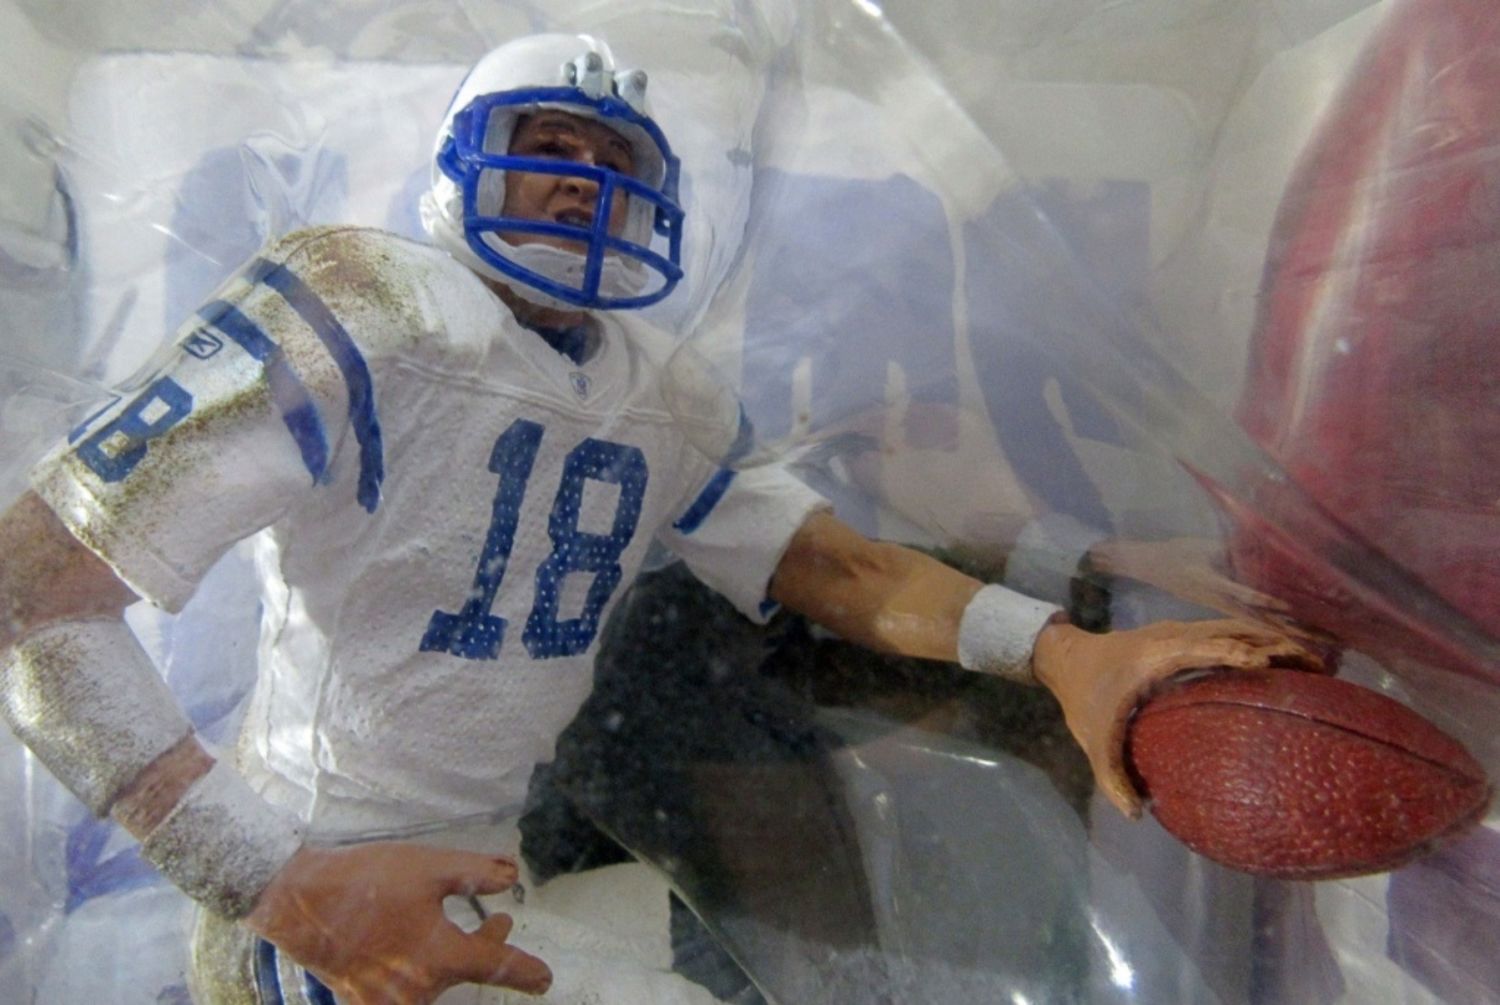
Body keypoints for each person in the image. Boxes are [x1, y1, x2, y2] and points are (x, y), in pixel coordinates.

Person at [0, 33, 1319, 1005]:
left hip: (485, 868)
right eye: (549, 147)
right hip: (328, 896)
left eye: (612, 160)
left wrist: (1066, 652)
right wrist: (277, 883)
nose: (583, 180)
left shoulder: (658, 391)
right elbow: (32, 594)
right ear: (464, 163)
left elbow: (836, 565)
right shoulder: (365, 302)